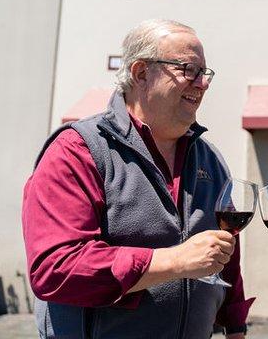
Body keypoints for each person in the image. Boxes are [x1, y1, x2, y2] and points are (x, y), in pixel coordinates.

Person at [22, 19, 254, 338]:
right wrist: (174, 261)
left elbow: (227, 259)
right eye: (188, 69)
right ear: (141, 72)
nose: (202, 83)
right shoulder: (78, 150)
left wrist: (235, 327)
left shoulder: (210, 159)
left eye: (205, 73)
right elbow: (56, 270)